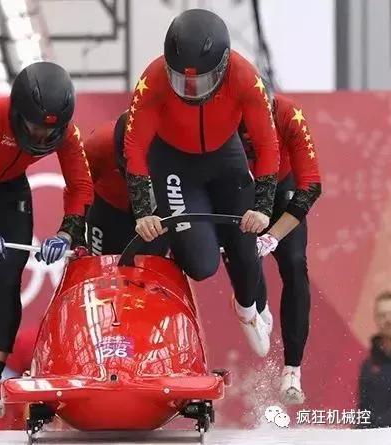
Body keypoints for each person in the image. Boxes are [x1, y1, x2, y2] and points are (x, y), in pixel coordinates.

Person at [0, 61, 93, 417]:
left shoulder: (67, 134)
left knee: (9, 281)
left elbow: (81, 185)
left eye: (48, 132)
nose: (41, 137)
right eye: (35, 127)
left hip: (11, 197)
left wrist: (68, 233)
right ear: (17, 112)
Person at [123, 9, 280, 357]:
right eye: (182, 81)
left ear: (223, 67)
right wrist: (143, 210)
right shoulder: (152, 81)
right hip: (174, 163)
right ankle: (227, 259)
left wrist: (263, 207)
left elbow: (268, 145)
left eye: (201, 82)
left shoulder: (245, 77)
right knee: (201, 265)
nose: (191, 91)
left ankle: (247, 308)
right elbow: (134, 145)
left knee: (244, 243)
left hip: (226, 158)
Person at [237, 92, 322, 404]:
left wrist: (272, 236)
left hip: (282, 189)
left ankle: (292, 369)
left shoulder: (289, 116)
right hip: (242, 190)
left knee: (296, 263)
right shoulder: (221, 114)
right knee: (243, 256)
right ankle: (257, 305)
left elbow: (311, 185)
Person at [84, 112, 166, 255]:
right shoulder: (98, 144)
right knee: (102, 270)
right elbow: (80, 188)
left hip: (156, 211)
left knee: (150, 269)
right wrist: (74, 233)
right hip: (108, 210)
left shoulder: (176, 148)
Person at [357, 291, 391, 428]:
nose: (388, 319)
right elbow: (364, 410)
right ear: (376, 319)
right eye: (382, 315)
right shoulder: (369, 366)